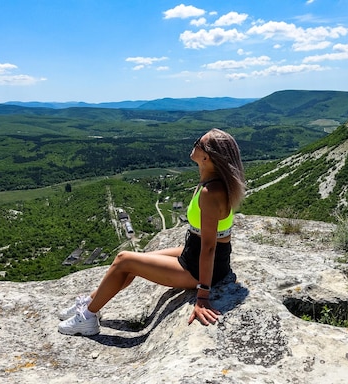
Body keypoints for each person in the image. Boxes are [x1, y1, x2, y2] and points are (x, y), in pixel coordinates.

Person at [58, 128, 245, 336]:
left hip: (199, 268)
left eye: (197, 143)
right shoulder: (211, 183)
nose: (193, 146)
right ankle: (92, 303)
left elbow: (210, 247)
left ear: (206, 156)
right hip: (194, 252)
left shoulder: (211, 192)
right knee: (133, 262)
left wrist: (202, 296)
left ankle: (88, 319)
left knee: (124, 259)